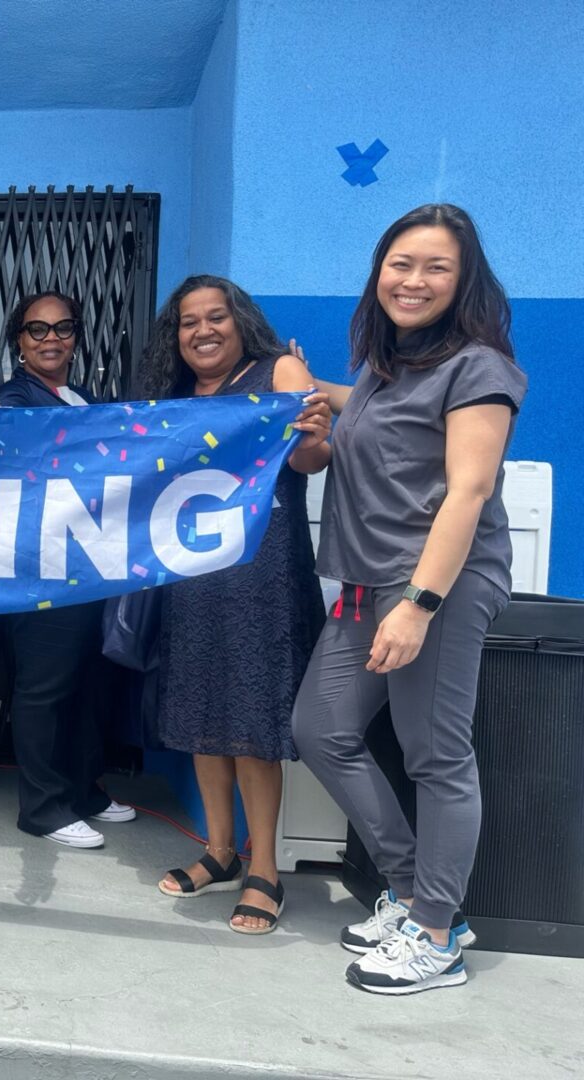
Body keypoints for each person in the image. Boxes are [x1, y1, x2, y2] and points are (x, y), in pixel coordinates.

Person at [292, 204, 525, 993]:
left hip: (437, 585)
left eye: (435, 268)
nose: (414, 280)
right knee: (320, 728)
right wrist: (301, 383)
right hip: (366, 583)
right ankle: (412, 887)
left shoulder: (479, 367)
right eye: (401, 264)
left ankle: (436, 936)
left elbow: (470, 489)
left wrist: (420, 603)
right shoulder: (388, 368)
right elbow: (365, 416)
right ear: (378, 273)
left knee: (436, 754)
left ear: (463, 283)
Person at [135, 275, 331, 933]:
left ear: (240, 321)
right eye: (189, 322)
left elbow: (312, 458)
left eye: (216, 317)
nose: (203, 331)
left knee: (251, 724)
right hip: (194, 578)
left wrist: (310, 431)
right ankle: (219, 851)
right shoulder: (177, 399)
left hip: (263, 578)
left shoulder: (279, 370)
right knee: (200, 713)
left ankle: (264, 869)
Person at [0, 292, 138, 848]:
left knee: (84, 683)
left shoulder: (82, 397)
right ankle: (43, 808)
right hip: (41, 570)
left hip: (87, 565)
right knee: (44, 687)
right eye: (36, 330)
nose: (51, 338)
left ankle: (82, 788)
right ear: (19, 343)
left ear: (76, 336)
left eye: (63, 328)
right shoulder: (12, 400)